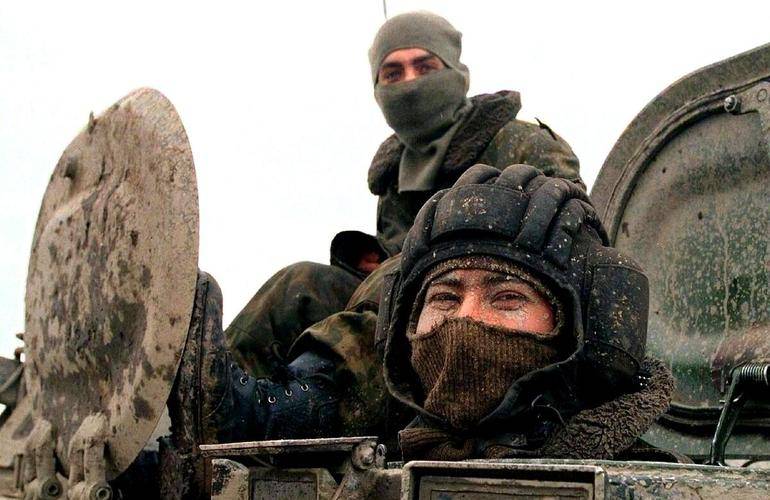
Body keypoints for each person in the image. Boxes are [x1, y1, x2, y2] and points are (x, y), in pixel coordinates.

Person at [170, 163, 676, 461]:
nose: (464, 320)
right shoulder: (378, 455)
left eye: (507, 298)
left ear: (577, 328)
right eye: (445, 299)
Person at [225, 11, 584, 379]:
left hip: (490, 304)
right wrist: (376, 257)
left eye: (425, 67)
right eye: (393, 74)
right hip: (402, 301)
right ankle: (216, 387)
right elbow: (396, 248)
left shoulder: (522, 143)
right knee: (300, 284)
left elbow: (572, 229)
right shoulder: (393, 172)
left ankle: (317, 390)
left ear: (456, 72)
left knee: (400, 273)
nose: (410, 83)